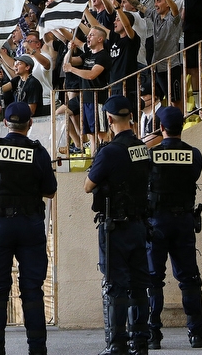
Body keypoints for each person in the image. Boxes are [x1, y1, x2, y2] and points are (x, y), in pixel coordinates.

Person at [0, 101, 57, 355]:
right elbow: (50, 190)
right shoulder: (37, 151)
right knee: (32, 290)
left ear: (6, 123)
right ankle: (37, 349)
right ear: (30, 124)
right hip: (30, 226)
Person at [84, 95, 152, 355]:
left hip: (115, 228)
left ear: (109, 119)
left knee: (116, 286)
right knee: (138, 285)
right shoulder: (142, 148)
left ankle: (118, 344)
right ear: (131, 117)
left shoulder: (110, 151)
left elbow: (88, 185)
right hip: (139, 225)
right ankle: (141, 342)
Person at [146, 106, 202, 349]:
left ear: (161, 128)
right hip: (184, 222)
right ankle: (197, 335)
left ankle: (153, 335)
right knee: (189, 279)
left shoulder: (151, 155)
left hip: (157, 222)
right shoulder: (195, 154)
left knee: (153, 280)